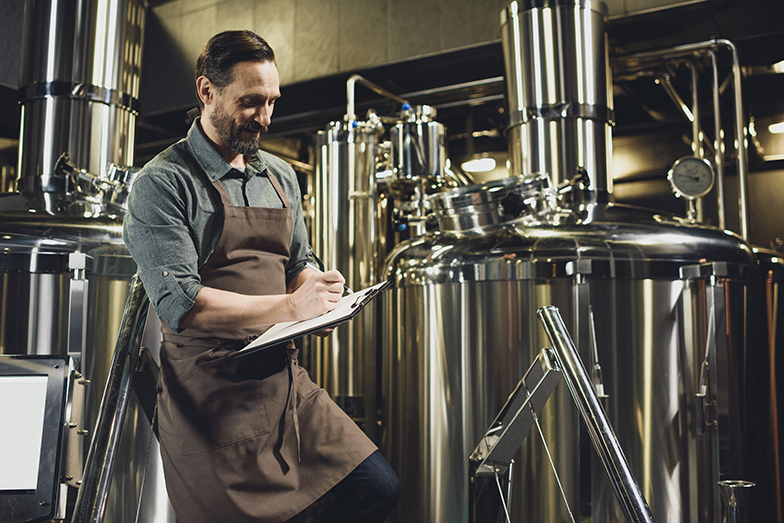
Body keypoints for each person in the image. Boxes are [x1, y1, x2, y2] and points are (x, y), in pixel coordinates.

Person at [122, 30, 400, 523]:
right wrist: (292, 308)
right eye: (250, 102)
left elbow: (298, 259)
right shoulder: (162, 183)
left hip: (281, 380)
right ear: (207, 91)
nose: (266, 118)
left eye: (272, 101)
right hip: (208, 394)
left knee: (377, 488)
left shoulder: (279, 173)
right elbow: (180, 302)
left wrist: (318, 292)